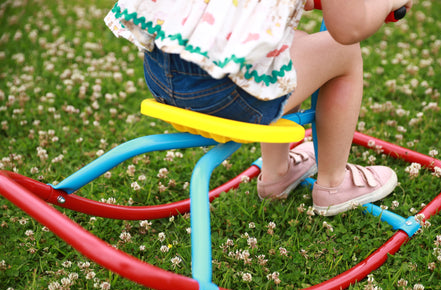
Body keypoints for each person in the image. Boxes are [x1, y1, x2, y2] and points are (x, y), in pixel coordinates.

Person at [105, 0, 412, 216]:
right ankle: (334, 184)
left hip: (161, 74)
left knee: (292, 44)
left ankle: (277, 172)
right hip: (226, 95)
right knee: (342, 51)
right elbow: (349, 27)